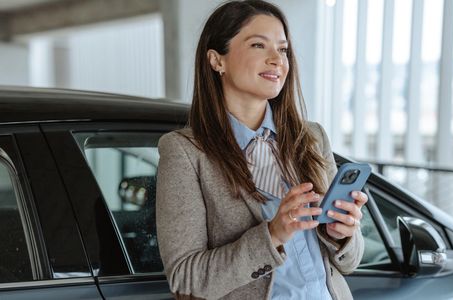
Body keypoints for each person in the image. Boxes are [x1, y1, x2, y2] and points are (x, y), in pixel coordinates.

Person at [156, 1, 367, 299]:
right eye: (258, 45)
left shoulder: (312, 137)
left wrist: (343, 234)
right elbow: (186, 278)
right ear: (217, 61)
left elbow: (349, 262)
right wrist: (273, 234)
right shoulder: (185, 152)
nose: (276, 60)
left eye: (282, 49)